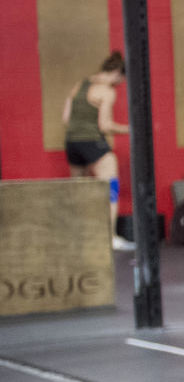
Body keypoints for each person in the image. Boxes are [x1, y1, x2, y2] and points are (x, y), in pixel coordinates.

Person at [62, 51, 130, 249]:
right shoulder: (107, 91)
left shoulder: (78, 85)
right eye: (121, 80)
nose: (119, 84)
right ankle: (110, 237)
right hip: (93, 142)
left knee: (80, 191)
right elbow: (105, 126)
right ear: (117, 73)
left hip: (72, 143)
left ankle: (79, 237)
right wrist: (131, 129)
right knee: (111, 187)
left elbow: (66, 119)